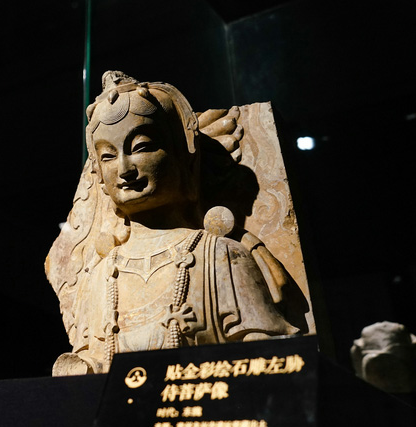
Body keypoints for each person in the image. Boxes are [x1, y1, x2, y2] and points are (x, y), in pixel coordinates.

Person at [47, 71, 297, 375]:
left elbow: (270, 360)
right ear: (98, 176)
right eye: (109, 156)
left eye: (141, 147)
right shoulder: (98, 277)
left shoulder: (220, 257)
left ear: (184, 157)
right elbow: (92, 362)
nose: (125, 169)